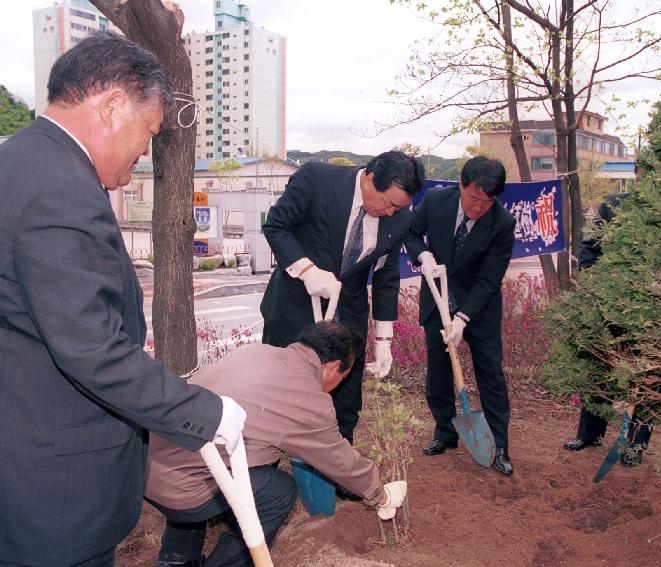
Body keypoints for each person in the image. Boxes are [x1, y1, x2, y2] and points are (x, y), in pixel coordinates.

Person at [0, 31, 246, 566]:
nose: (144, 151)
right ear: (112, 106)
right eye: (148, 131)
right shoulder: (60, 190)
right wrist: (203, 411)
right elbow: (91, 347)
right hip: (55, 494)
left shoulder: (15, 163)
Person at [145, 322, 408, 567]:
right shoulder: (308, 400)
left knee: (203, 461)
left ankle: (176, 560)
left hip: (148, 466)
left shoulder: (257, 352)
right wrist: (381, 494)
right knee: (278, 491)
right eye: (344, 376)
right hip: (182, 490)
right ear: (332, 366)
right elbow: (340, 460)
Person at [259, 151, 424, 498]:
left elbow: (386, 275)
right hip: (294, 308)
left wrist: (384, 337)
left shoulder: (399, 217)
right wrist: (307, 270)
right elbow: (276, 225)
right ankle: (259, 477)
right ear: (369, 178)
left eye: (399, 207)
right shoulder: (317, 179)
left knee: (344, 400)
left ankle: (337, 476)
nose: (391, 213)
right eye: (388, 203)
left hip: (346, 316)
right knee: (276, 396)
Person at [405, 156, 516, 476]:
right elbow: (411, 232)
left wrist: (464, 318)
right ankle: (444, 431)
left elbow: (489, 278)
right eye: (474, 198)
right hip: (437, 301)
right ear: (461, 186)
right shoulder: (437, 200)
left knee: (491, 375)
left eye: (488, 201)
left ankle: (499, 445)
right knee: (438, 372)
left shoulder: (502, 223)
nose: (479, 207)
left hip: (478, 309)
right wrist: (422, 255)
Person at [563, 192, 652, 466]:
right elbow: (590, 247)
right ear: (638, 173)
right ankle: (590, 434)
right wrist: (593, 284)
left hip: (648, 310)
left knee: (646, 378)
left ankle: (634, 445)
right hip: (608, 304)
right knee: (599, 369)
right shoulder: (613, 205)